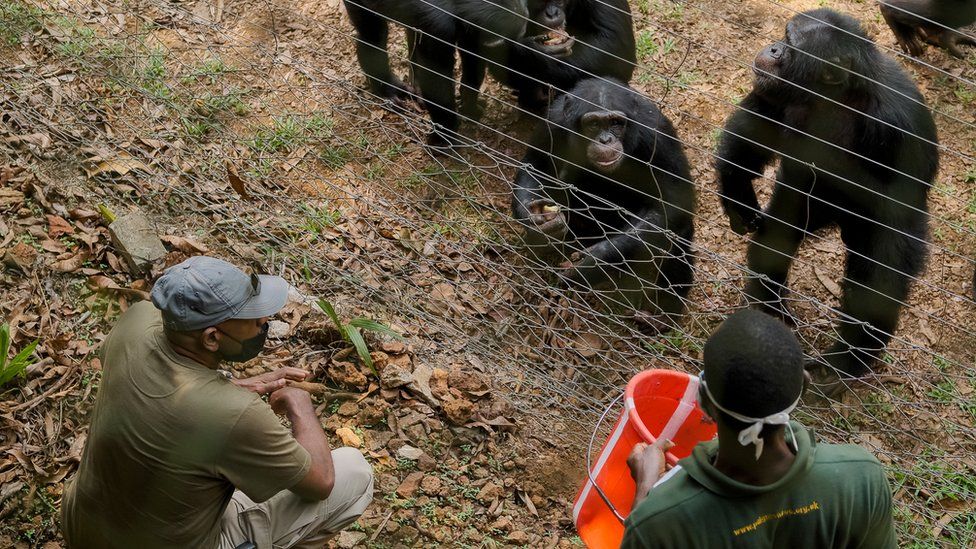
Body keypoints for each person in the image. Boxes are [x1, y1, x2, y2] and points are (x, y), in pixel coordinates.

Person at [61, 256, 373, 548]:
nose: (264, 320)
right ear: (211, 338)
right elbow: (321, 483)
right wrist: (299, 405)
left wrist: (226, 386)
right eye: (251, 318)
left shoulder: (137, 321)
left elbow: (160, 392)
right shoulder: (237, 414)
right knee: (355, 474)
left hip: (85, 529)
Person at [622, 309, 896, 548]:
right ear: (804, 385)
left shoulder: (659, 522)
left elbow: (648, 532)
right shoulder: (861, 478)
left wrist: (645, 492)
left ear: (704, 401)